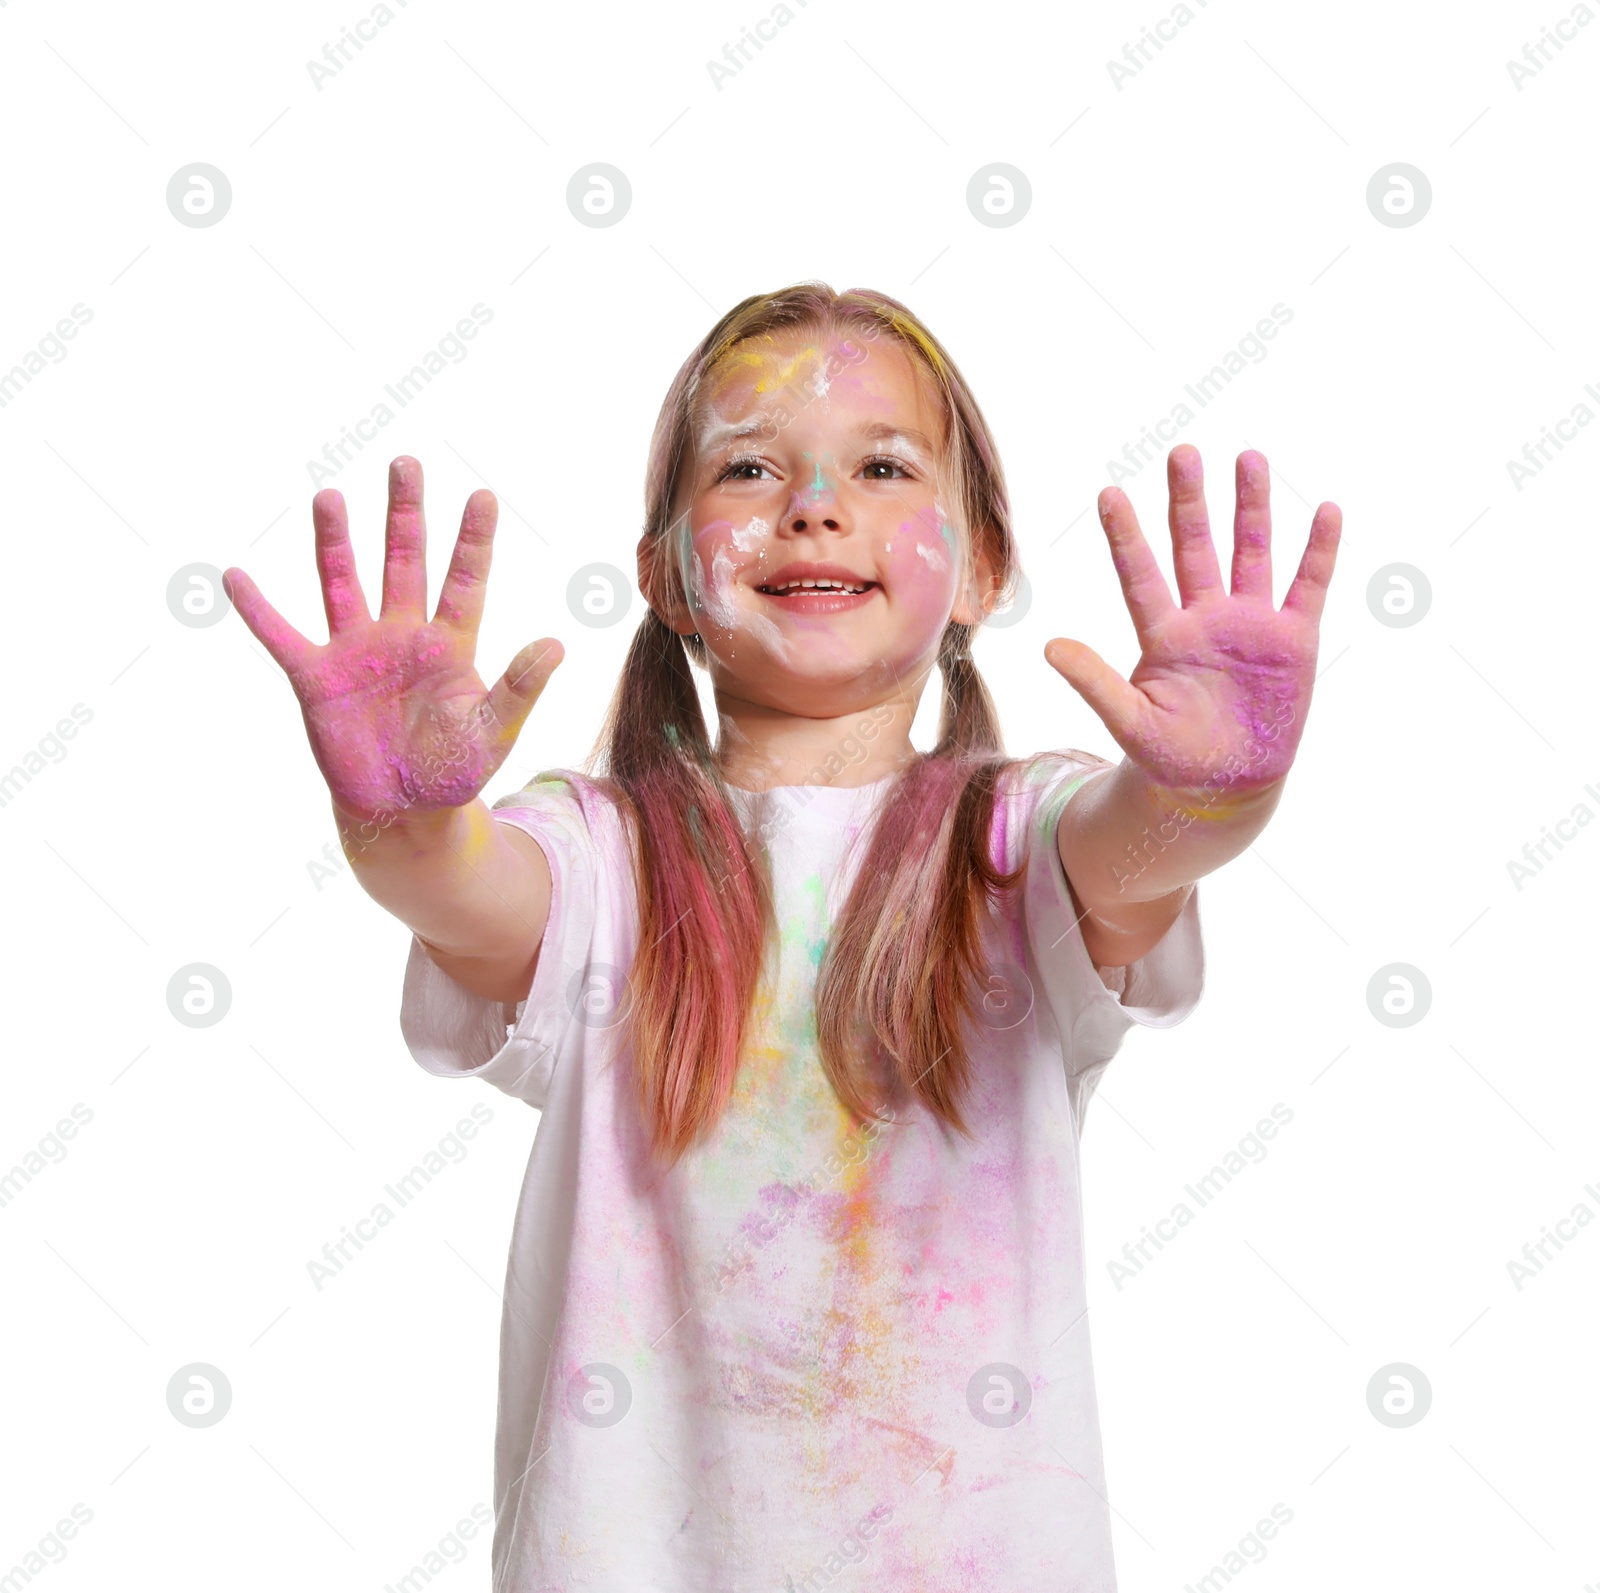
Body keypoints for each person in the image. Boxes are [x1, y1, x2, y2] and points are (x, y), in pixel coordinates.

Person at [224, 281, 1340, 1591]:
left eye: (881, 465)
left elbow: (1145, 849)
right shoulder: (598, 854)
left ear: (981, 562)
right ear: (664, 573)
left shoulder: (1014, 838)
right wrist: (401, 820)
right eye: (749, 466)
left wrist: (1212, 793)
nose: (816, 503)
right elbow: (458, 888)